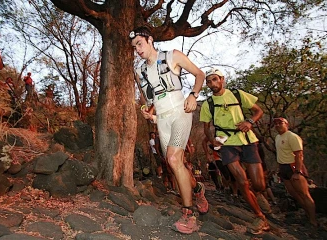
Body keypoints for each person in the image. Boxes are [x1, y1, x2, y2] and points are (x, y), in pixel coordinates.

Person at [130, 26, 207, 234]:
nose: (137, 49)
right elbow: (148, 98)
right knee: (175, 164)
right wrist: (147, 110)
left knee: (174, 159)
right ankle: (198, 189)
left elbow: (200, 74)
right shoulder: (140, 71)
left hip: (180, 111)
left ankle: (188, 214)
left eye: (139, 43)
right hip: (161, 119)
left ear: (150, 40)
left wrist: (193, 95)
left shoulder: (172, 56)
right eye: (134, 46)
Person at [200, 68, 269, 235]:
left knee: (259, 184)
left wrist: (250, 121)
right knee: (242, 182)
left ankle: (256, 193)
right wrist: (212, 140)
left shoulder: (237, 94)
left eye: (215, 79)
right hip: (227, 144)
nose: (212, 84)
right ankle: (259, 216)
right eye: (209, 81)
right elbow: (206, 127)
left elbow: (258, 110)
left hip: (247, 140)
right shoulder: (207, 104)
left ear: (222, 79)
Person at [273, 117, 317, 227]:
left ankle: (313, 220)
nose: (278, 125)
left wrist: (297, 172)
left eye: (280, 123)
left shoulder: (292, 137)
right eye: (276, 123)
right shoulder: (277, 137)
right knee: (294, 194)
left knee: (304, 194)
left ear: (286, 124)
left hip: (293, 167)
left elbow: (299, 155)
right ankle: (307, 215)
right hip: (283, 168)